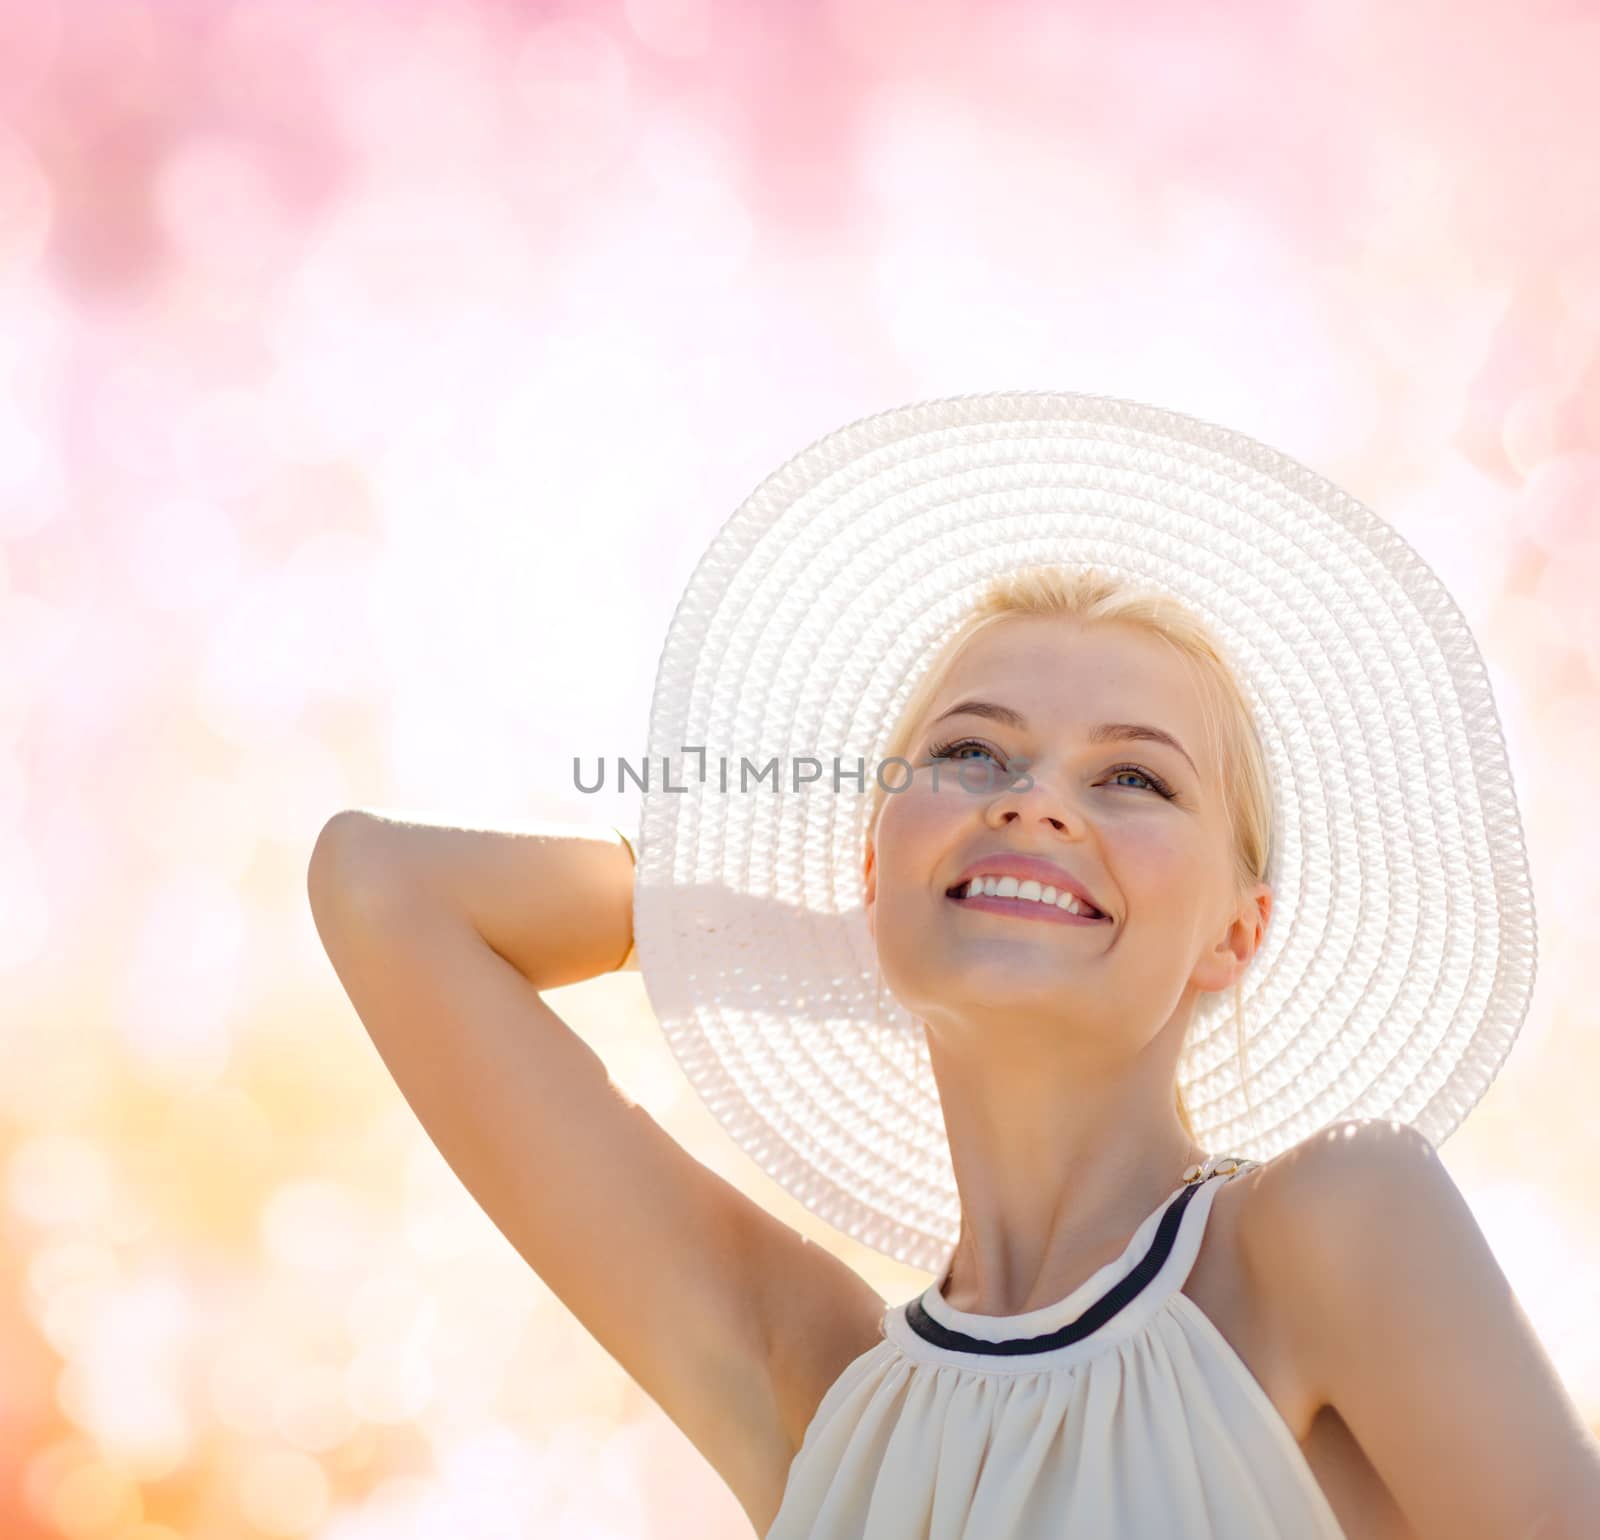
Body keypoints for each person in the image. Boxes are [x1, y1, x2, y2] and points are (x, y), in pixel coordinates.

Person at [308, 393, 1600, 1537]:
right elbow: (382, 888)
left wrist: (973, 899)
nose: (1036, 801)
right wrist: (882, 921)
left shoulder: (1332, 1227)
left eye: (1134, 777)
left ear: (1236, 933)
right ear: (873, 858)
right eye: (976, 756)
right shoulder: (815, 1391)